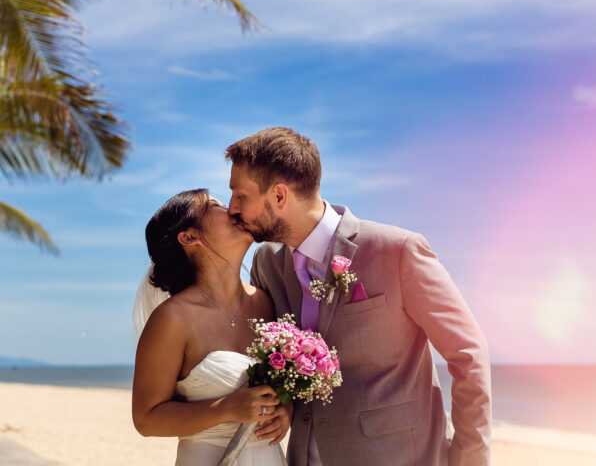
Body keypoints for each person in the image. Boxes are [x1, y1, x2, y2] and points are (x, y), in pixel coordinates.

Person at [226, 128, 492, 466]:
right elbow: (275, 362)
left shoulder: (398, 251)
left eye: (240, 195)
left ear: (279, 196)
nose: (231, 207)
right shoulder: (267, 264)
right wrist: (284, 404)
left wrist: (468, 460)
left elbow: (468, 353)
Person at [132, 188, 292, 465]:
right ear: (190, 236)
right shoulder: (172, 319)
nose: (232, 209)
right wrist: (226, 409)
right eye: (214, 206)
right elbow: (146, 419)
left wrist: (285, 408)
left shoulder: (266, 302)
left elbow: (284, 381)